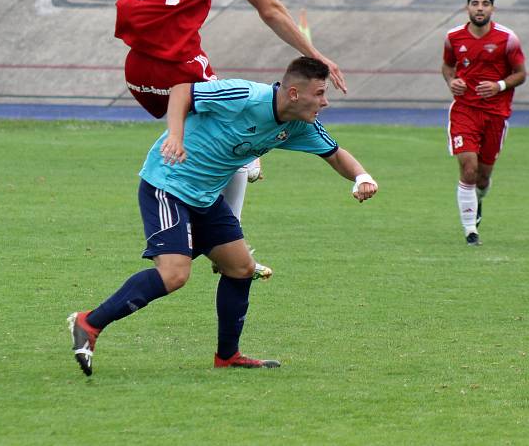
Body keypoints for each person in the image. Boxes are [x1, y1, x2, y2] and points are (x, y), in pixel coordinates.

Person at [48, 0, 347, 257]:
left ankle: (217, 212)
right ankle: (233, 238)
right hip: (180, 63)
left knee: (200, 133)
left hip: (137, 69)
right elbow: (270, 9)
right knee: (233, 122)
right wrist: (317, 55)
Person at [67, 57, 378, 375]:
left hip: (205, 197)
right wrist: (175, 136)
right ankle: (89, 323)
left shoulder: (299, 126)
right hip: (168, 183)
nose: (325, 102)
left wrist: (361, 177)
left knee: (240, 269)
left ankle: (228, 356)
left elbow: (335, 154)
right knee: (175, 275)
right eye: (320, 93)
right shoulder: (243, 95)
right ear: (295, 93)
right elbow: (181, 92)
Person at [441, 0, 526, 246]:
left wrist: (499, 85)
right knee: (469, 168)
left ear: (493, 8)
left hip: (496, 114)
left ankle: (477, 200)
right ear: (467, 7)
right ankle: (470, 232)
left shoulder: (507, 39)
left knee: (483, 177)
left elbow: (521, 74)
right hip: (465, 110)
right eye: (475, 3)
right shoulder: (454, 37)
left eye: (485, 4)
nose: (480, 8)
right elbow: (447, 66)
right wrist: (451, 81)